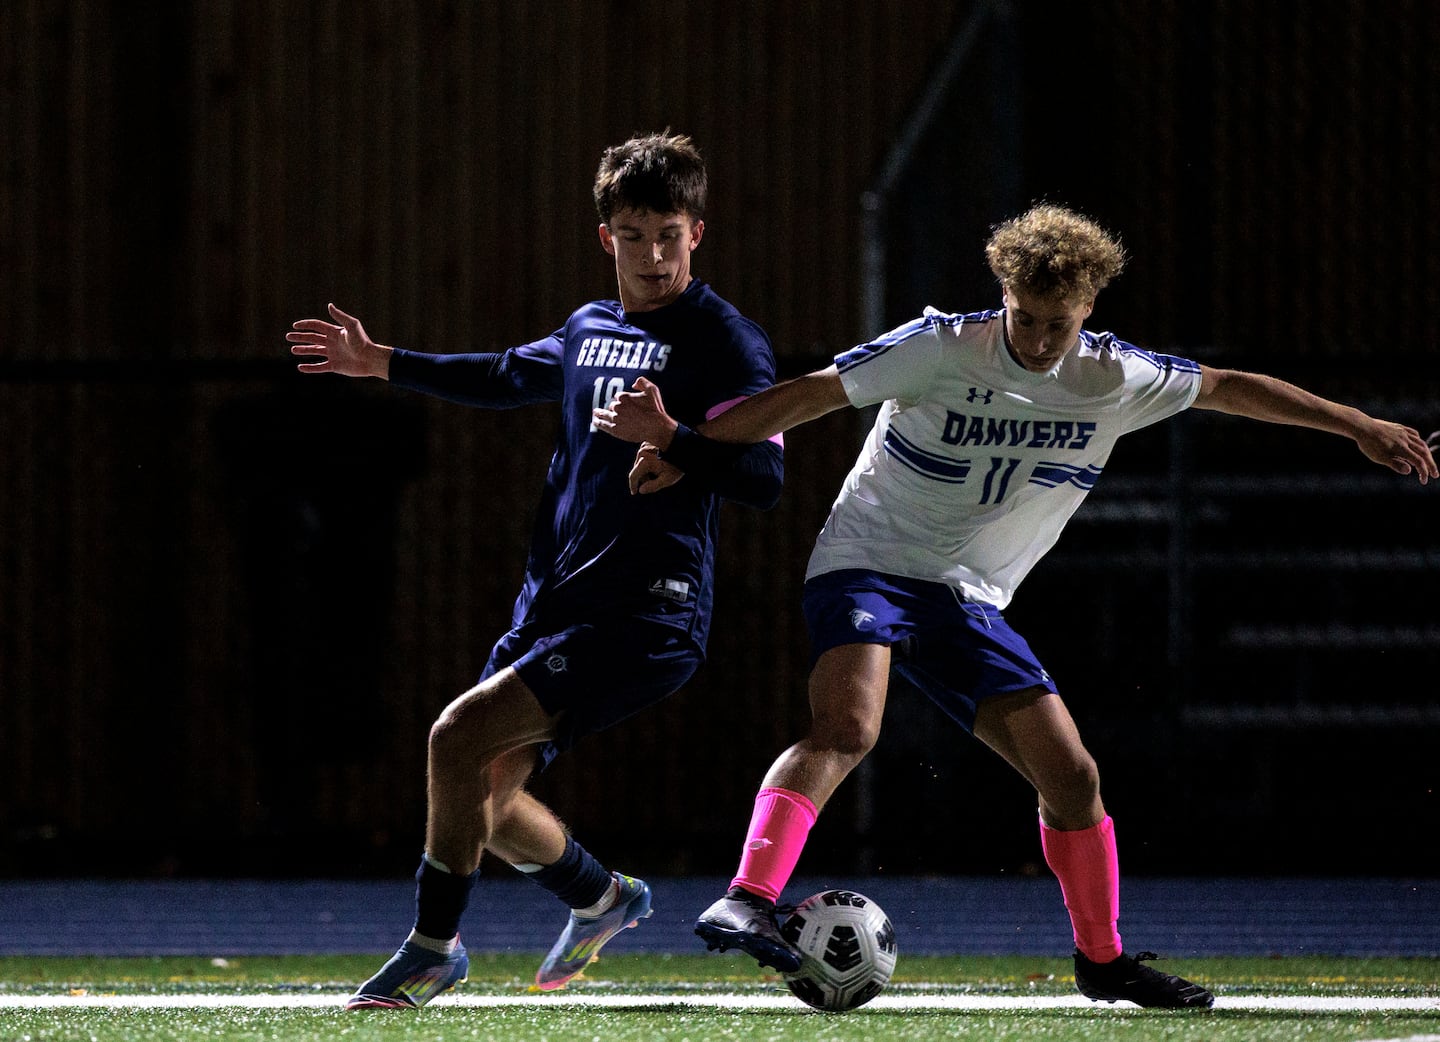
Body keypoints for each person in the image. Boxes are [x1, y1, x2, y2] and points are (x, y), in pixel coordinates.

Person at [593, 203, 1438, 1009]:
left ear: (1089, 308)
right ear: (1003, 296)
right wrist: (691, 446)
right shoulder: (938, 347)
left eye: (1055, 323)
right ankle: (748, 896)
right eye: (1023, 317)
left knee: (1073, 777)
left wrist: (1357, 425)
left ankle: (1103, 963)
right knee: (850, 728)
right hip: (870, 562)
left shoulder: (1115, 375)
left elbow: (1229, 386)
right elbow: (807, 394)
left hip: (968, 595)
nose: (1035, 340)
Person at [287, 132, 784, 1009]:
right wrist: (383, 363)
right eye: (634, 234)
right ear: (607, 238)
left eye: (669, 232)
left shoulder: (725, 342)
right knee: (482, 796)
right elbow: (505, 376)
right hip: (556, 599)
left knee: (452, 737)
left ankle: (432, 948)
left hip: (647, 612)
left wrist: (676, 440)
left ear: (697, 232)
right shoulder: (591, 329)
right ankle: (602, 896)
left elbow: (766, 480)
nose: (654, 253)